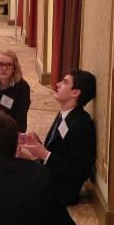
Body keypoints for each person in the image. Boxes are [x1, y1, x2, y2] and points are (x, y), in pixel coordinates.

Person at [18, 68, 96, 206]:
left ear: (75, 92)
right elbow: (60, 151)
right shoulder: (65, 113)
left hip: (61, 191)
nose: (58, 84)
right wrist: (38, 144)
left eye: (64, 82)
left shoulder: (81, 124)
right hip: (49, 175)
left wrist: (45, 155)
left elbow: (79, 170)